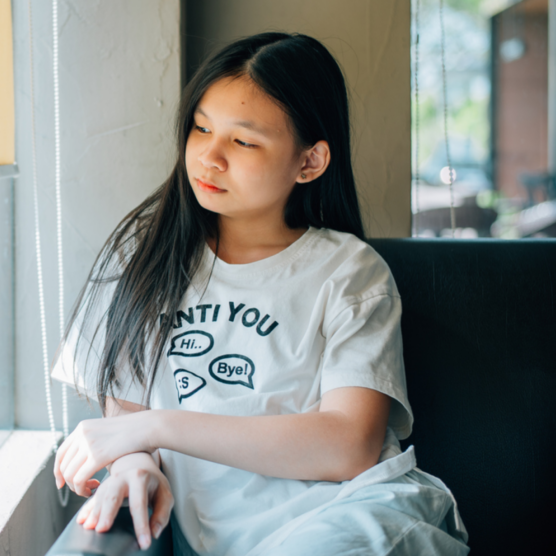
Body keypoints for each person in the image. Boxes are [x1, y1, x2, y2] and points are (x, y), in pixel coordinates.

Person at [51, 32, 469, 556]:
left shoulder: (350, 272)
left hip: (354, 516)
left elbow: (349, 445)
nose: (209, 156)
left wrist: (156, 427)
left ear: (310, 162)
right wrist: (135, 464)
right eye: (201, 128)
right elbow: (124, 415)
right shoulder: (143, 257)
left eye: (243, 141)